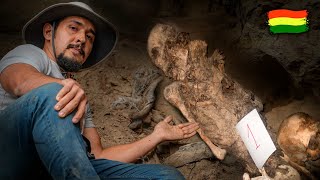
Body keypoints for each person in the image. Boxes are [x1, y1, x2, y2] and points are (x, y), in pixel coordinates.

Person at [0, 2, 199, 179]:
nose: (81, 39)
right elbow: (17, 79)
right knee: (55, 93)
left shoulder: (75, 94)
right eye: (73, 28)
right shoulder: (32, 54)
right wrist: (61, 87)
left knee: (166, 175)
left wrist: (157, 136)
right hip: (11, 158)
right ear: (48, 32)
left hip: (55, 168)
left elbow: (99, 156)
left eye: (89, 37)